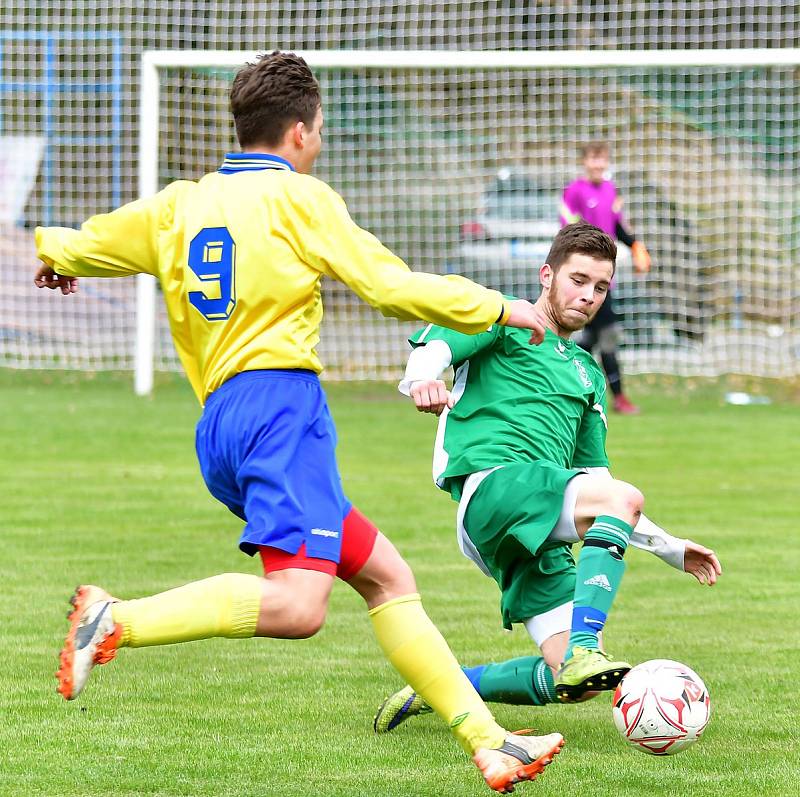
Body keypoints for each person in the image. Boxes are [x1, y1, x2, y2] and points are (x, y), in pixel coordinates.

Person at [33, 52, 564, 793]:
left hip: (221, 422)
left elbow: (89, 241)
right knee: (299, 605)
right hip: (281, 409)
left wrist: (61, 257)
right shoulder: (300, 199)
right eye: (320, 129)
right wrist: (498, 307)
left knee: (385, 575)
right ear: (301, 131)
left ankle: (489, 740)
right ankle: (116, 617)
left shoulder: (178, 204)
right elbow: (389, 284)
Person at [373, 222, 721, 732]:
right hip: (496, 486)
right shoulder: (506, 318)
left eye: (600, 287)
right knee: (618, 513)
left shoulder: (587, 373)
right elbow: (436, 347)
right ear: (547, 275)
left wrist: (668, 545)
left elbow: (598, 482)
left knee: (570, 682)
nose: (588, 296)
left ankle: (437, 685)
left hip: (534, 520)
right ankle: (586, 647)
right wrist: (421, 380)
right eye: (578, 279)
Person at [560, 141, 651, 415]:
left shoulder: (610, 191)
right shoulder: (574, 192)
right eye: (593, 160)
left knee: (593, 336)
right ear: (585, 162)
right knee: (606, 332)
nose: (599, 165)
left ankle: (565, 377)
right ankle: (619, 397)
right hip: (584, 277)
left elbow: (618, 226)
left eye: (603, 160)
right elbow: (568, 232)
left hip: (604, 278)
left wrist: (635, 245)